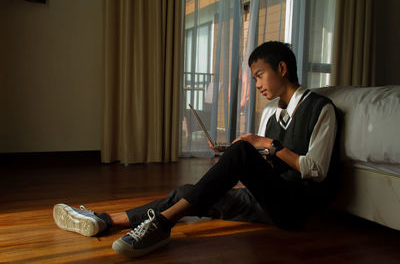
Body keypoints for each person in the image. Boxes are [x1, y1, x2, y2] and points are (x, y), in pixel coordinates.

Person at [53, 41, 338, 258]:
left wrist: (266, 145)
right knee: (186, 192)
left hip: (295, 207)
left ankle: (162, 225)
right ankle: (104, 221)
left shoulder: (320, 109)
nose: (258, 84)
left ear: (282, 69)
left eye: (260, 75)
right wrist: (244, 154)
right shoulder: (272, 114)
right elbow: (269, 161)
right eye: (255, 78)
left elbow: (316, 170)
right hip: (266, 200)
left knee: (242, 153)